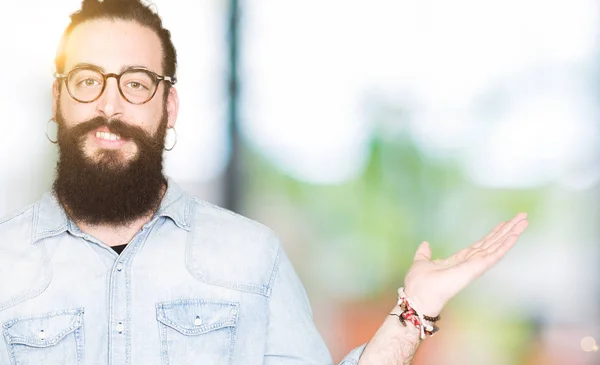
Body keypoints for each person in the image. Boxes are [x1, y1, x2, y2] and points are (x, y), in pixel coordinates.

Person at [0, 0, 529, 364]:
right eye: (88, 80)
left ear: (170, 107)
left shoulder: (251, 255)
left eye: (136, 83)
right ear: (58, 100)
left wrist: (411, 315)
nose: (109, 105)